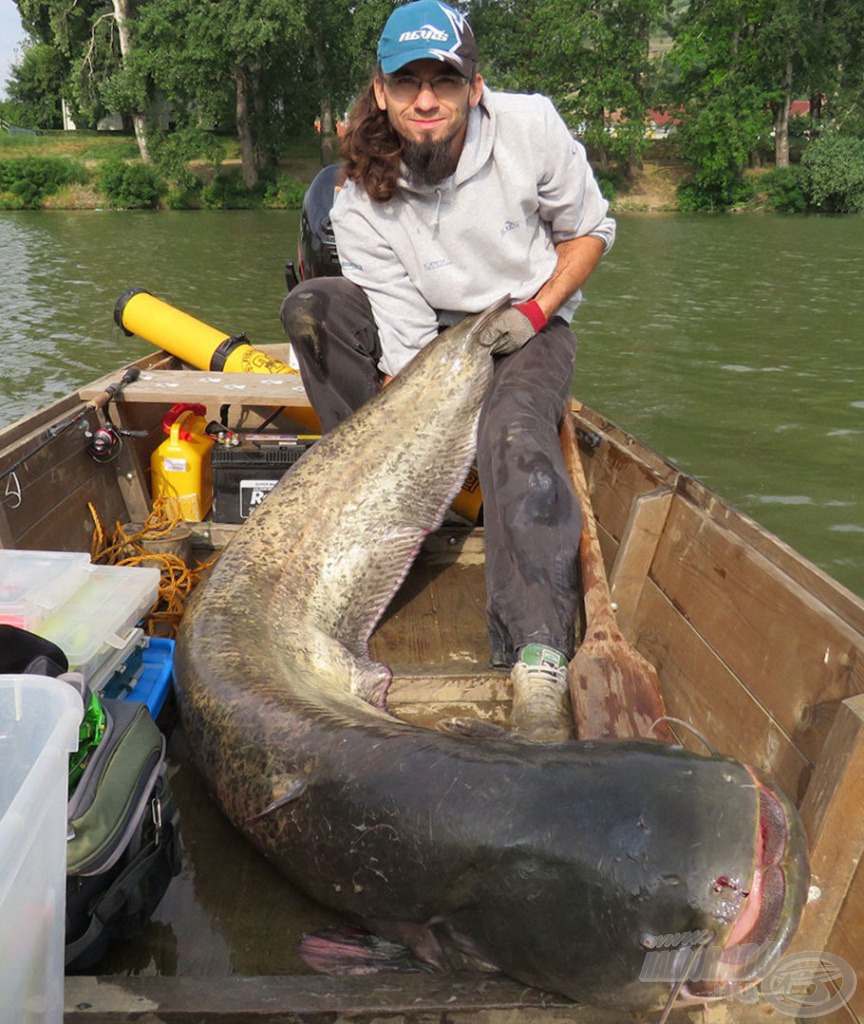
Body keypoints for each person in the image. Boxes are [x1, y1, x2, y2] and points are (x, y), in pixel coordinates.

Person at [281, 0, 615, 742]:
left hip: (527, 316)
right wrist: (409, 415)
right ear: (380, 92)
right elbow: (399, 333)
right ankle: (379, 515)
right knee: (315, 305)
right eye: (407, 83)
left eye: (444, 80)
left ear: (475, 87)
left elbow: (590, 230)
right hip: (429, 331)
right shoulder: (354, 195)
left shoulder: (532, 128)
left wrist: (533, 315)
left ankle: (535, 653)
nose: (425, 100)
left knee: (516, 433)